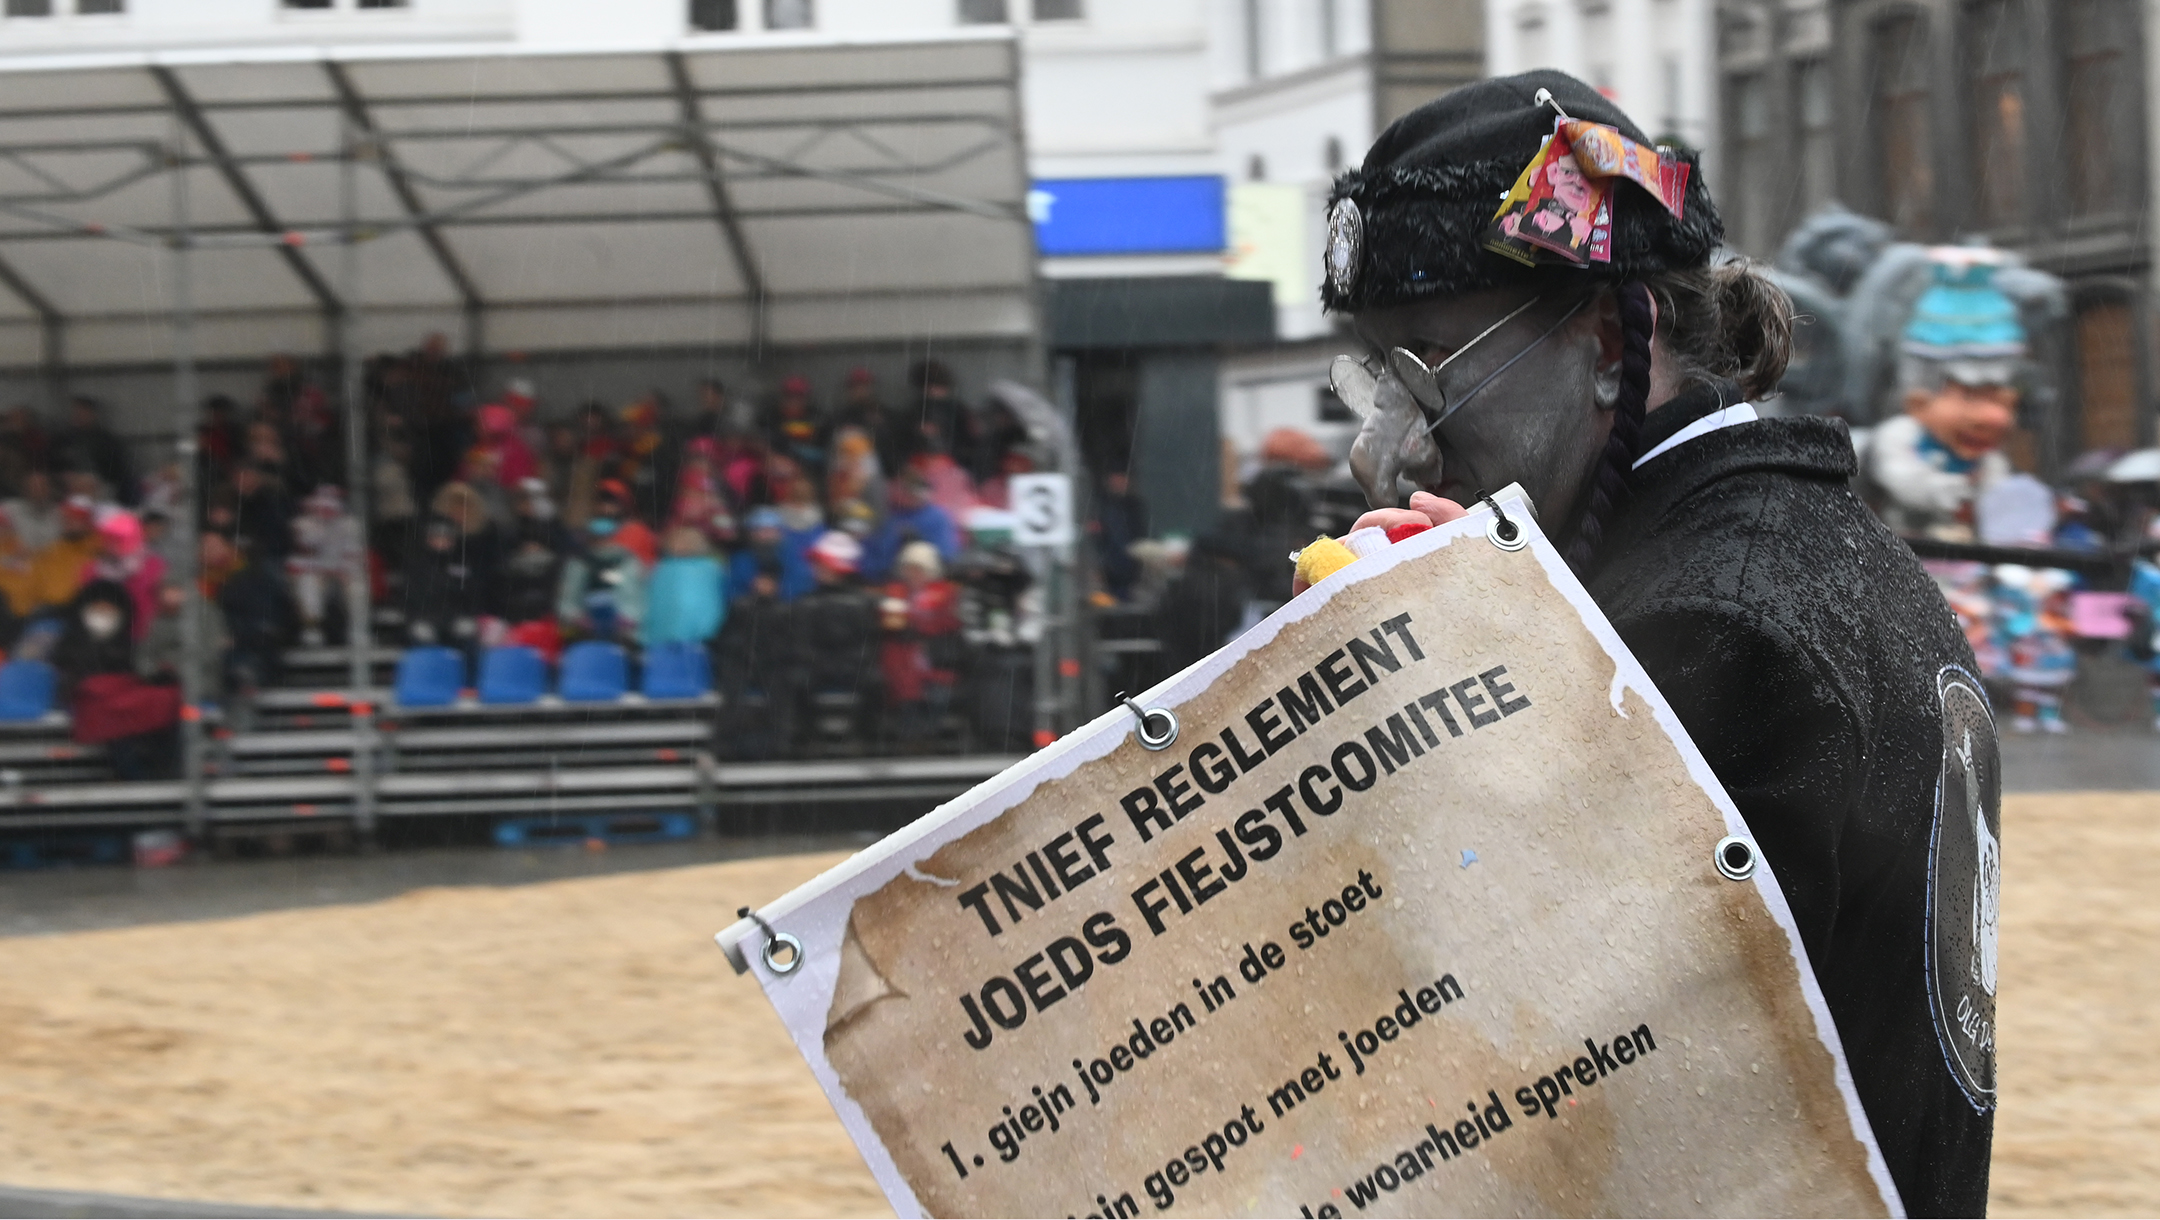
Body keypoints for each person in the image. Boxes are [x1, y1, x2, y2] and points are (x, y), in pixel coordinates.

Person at [1318, 71, 1990, 1212]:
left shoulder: (1704, 623)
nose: (1387, 447)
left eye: (1424, 368)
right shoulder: (1796, 547)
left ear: (1609, 345)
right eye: (1371, 376)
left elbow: (1542, 1081)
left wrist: (1411, 691)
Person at [1865, 254, 2021, 541]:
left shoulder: (1989, 462)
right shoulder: (1899, 437)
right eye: (1970, 397)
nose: (1994, 417)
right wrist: (1952, 492)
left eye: (1998, 400)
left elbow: (1999, 507)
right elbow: (1901, 478)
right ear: (1919, 403)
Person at [878, 540, 962, 745]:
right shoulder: (895, 593)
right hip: (902, 658)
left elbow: (948, 623)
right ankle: (909, 738)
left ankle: (929, 736)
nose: (913, 574)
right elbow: (891, 623)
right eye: (908, 568)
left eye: (918, 569)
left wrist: (918, 626)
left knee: (938, 693)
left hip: (937, 657)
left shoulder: (946, 593)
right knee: (902, 690)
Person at [287, 486, 363, 647]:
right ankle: (312, 629)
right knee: (308, 584)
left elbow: (354, 555)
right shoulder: (302, 524)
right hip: (314, 571)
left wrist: (342, 571)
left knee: (357, 586)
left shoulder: (350, 525)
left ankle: (357, 628)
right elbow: (299, 559)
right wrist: (320, 569)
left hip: (342, 571)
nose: (326, 511)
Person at [557, 514, 647, 645]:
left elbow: (635, 595)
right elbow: (568, 597)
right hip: (585, 631)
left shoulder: (627, 561)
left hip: (621, 631)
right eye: (597, 538)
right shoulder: (579, 563)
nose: (603, 542)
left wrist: (628, 618)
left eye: (607, 537)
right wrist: (577, 618)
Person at [861, 468, 961, 582]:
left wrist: (917, 540)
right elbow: (875, 545)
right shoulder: (891, 515)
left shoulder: (937, 516)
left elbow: (946, 555)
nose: (902, 493)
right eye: (901, 489)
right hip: (885, 574)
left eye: (908, 490)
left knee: (917, 553)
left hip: (921, 576)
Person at [643, 525, 727, 648]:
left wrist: (706, 627)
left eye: (685, 542)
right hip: (661, 632)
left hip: (698, 635)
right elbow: (654, 599)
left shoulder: (709, 568)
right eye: (675, 542)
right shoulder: (663, 567)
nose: (679, 546)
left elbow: (711, 600)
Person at [51, 396, 135, 506]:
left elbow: (117, 469)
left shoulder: (107, 440)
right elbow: (54, 463)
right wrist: (66, 476)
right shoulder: (62, 439)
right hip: (69, 486)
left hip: (101, 485)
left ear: (92, 414)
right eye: (77, 412)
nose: (80, 416)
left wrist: (95, 479)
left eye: (83, 412)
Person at [1, 469, 59, 556]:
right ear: (25, 489)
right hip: (13, 563)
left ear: (49, 489)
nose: (38, 490)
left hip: (50, 564)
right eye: (33, 487)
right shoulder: (8, 509)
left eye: (42, 486)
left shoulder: (60, 514)